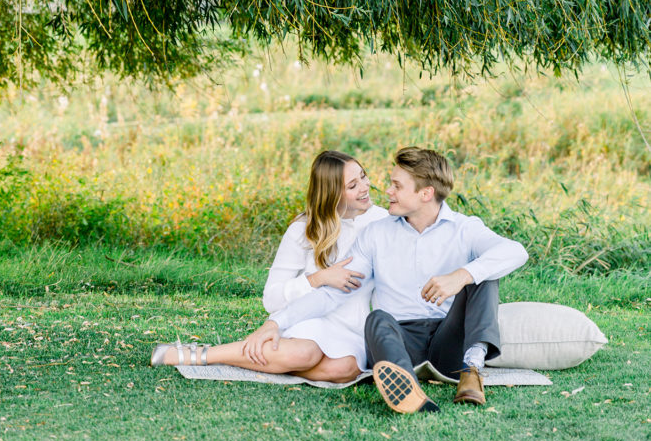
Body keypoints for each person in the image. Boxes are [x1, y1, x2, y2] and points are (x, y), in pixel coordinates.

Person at [243, 147, 528, 413]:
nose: (386, 190)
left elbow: (516, 251)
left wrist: (461, 275)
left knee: (485, 274)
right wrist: (276, 322)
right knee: (377, 317)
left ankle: (472, 370)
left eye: (397, 186)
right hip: (401, 343)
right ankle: (407, 390)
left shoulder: (465, 229)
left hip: (449, 341)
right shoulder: (375, 234)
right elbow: (334, 293)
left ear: (426, 193)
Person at [150, 150, 388, 382]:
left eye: (364, 176)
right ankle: (200, 354)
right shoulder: (304, 231)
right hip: (308, 320)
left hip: (355, 327)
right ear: (332, 194)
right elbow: (271, 299)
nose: (365, 187)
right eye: (353, 185)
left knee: (345, 369)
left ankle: (265, 363)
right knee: (305, 354)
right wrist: (318, 279)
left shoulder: (383, 222)